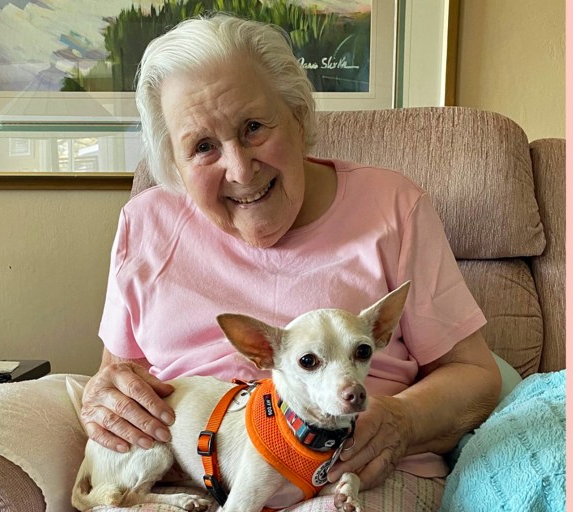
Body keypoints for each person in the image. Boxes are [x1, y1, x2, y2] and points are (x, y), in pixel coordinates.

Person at [79, 13, 501, 500]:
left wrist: (402, 420)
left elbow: (476, 377)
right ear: (175, 163)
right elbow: (118, 377)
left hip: (349, 472)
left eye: (254, 127)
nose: (239, 169)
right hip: (184, 478)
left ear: (300, 117)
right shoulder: (144, 224)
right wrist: (104, 399)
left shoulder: (392, 208)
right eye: (202, 147)